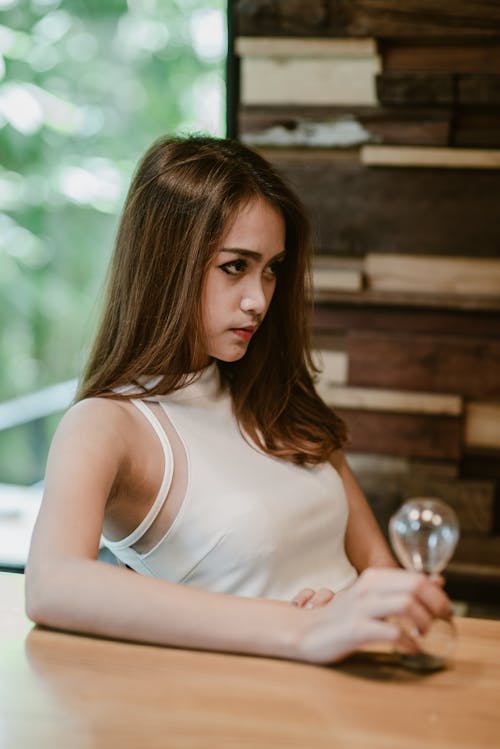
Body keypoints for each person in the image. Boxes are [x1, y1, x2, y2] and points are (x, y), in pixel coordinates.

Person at [25, 135, 451, 664]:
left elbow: (379, 573)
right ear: (166, 265)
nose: (259, 299)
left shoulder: (276, 397)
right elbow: (51, 584)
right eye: (235, 267)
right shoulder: (109, 425)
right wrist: (304, 629)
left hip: (366, 680)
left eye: (271, 269)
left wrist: (359, 608)